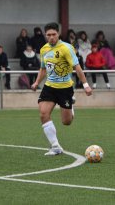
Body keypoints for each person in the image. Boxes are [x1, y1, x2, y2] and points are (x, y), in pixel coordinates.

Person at [31, 22, 92, 156]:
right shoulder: (44, 49)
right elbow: (43, 69)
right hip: (49, 87)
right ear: (45, 35)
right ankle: (55, 146)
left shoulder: (66, 48)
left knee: (66, 122)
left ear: (58, 34)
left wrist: (86, 85)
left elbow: (77, 67)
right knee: (43, 113)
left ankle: (70, 106)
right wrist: (36, 82)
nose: (51, 37)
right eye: (48, 35)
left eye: (54, 34)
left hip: (65, 88)